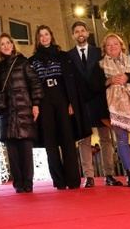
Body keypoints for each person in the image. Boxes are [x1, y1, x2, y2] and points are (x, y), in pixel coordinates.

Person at [29, 25, 92, 190]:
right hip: (44, 100)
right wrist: (35, 104)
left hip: (62, 98)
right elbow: (32, 84)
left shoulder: (63, 56)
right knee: (50, 143)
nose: (44, 37)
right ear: (37, 39)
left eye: (46, 34)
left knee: (67, 139)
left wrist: (72, 102)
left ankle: (73, 180)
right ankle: (59, 181)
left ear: (51, 36)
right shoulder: (33, 60)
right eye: (41, 35)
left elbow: (72, 82)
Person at [91, 33, 130, 187]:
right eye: (109, 45)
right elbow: (94, 87)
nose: (112, 47)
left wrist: (128, 77)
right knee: (122, 141)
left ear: (121, 46)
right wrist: (109, 80)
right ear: (104, 48)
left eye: (115, 44)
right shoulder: (99, 65)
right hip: (115, 108)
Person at [68, 21, 123, 188]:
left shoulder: (99, 52)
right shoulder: (68, 56)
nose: (80, 33)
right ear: (73, 35)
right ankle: (89, 177)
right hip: (81, 103)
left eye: (82, 30)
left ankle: (109, 175)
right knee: (84, 140)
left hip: (100, 101)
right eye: (76, 31)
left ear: (88, 32)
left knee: (106, 139)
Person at [0, 33, 43, 193]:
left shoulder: (23, 62)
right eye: (2, 44)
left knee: (26, 150)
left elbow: (35, 83)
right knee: (12, 152)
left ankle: (28, 182)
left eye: (8, 43)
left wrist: (35, 104)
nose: (6, 46)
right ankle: (18, 183)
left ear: (13, 45)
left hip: (23, 109)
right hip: (6, 113)